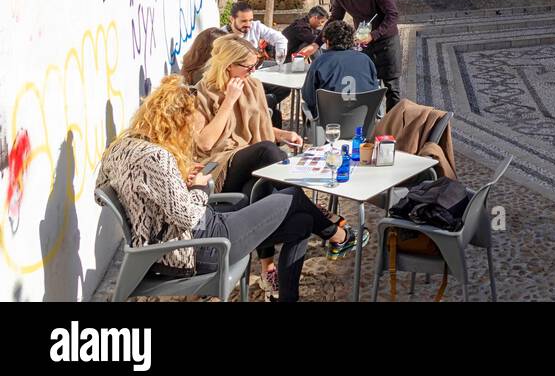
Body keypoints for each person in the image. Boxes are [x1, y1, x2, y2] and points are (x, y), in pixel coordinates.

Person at [97, 76, 364, 303]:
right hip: (199, 247)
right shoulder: (157, 157)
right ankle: (338, 235)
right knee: (292, 195)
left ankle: (291, 293)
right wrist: (199, 187)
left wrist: (174, 182)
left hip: (193, 235)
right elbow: (188, 216)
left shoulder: (120, 146)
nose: (190, 131)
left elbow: (102, 194)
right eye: (188, 124)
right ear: (174, 122)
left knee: (303, 222)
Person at [193, 34, 311, 290]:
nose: (253, 71)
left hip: (252, 165)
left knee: (269, 195)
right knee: (267, 152)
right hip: (222, 167)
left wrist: (284, 135)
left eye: (255, 66)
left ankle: (270, 269)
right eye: (248, 67)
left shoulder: (253, 86)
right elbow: (204, 143)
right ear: (228, 66)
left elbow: (263, 129)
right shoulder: (204, 92)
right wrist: (229, 101)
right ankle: (322, 219)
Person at [327, 0, 402, 110]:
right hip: (364, 45)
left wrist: (374, 35)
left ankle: (392, 128)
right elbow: (335, 18)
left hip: (386, 43)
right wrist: (319, 41)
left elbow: (392, 15)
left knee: (392, 89)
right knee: (365, 86)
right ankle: (369, 123)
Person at [301, 20, 380, 120]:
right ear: (352, 40)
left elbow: (308, 97)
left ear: (328, 42)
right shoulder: (366, 60)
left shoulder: (319, 62)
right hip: (363, 125)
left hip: (328, 127)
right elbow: (374, 91)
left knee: (305, 108)